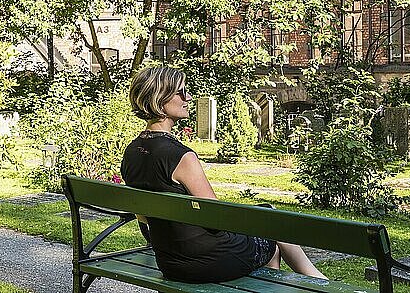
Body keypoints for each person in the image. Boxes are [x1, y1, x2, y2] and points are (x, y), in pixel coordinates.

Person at [121, 66, 327, 283]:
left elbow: (144, 220)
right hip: (207, 260)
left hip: (171, 262)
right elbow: (216, 219)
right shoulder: (181, 157)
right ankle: (319, 281)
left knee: (267, 223)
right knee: (273, 222)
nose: (188, 97)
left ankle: (317, 279)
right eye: (181, 92)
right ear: (159, 98)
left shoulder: (131, 152)